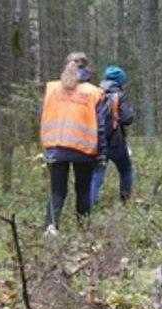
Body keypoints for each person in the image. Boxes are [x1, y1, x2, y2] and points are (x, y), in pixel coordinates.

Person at [41, 52, 105, 236]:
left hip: (55, 146)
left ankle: (50, 228)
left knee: (56, 191)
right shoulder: (94, 92)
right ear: (87, 68)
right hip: (83, 149)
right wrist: (101, 153)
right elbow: (100, 125)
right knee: (83, 190)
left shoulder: (51, 88)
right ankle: (83, 230)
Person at [90, 66, 136, 205]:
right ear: (120, 81)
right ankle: (125, 201)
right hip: (115, 141)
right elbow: (128, 118)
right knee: (126, 170)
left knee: (97, 173)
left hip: (96, 139)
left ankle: (90, 207)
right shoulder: (119, 95)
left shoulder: (94, 93)